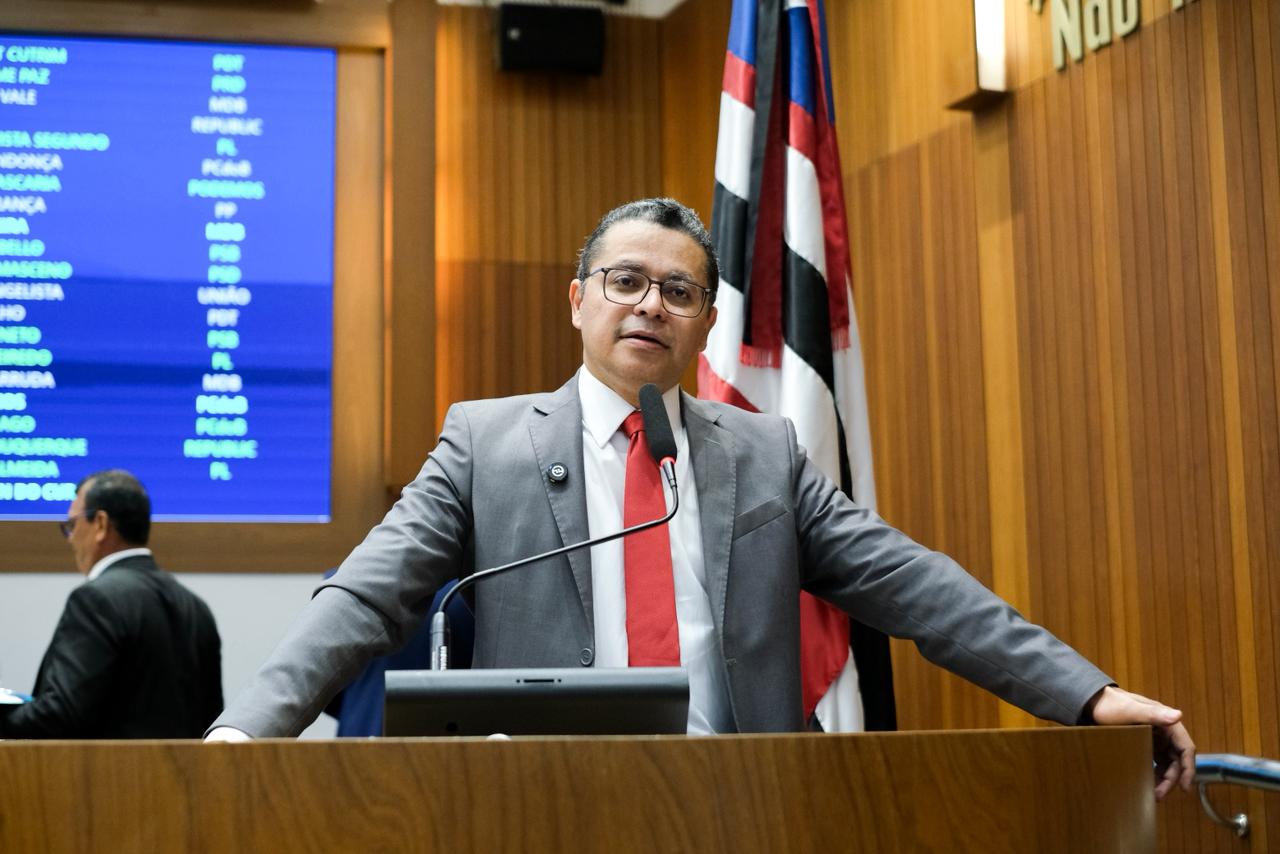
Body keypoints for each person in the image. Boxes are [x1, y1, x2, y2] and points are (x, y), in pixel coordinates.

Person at [208, 198, 1194, 799]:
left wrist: (1088, 693)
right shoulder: (485, 442)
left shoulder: (762, 453)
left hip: (739, 802)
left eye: (678, 293)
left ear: (706, 323)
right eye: (625, 281)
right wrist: (247, 728)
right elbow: (365, 594)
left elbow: (916, 587)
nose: (650, 304)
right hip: (543, 805)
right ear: (578, 300)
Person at [0, 469, 223, 738]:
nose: (71, 539)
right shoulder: (195, 607)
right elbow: (212, 721)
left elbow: (60, 716)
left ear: (100, 524)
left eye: (72, 525)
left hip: (105, 767)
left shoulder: (96, 600)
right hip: (183, 767)